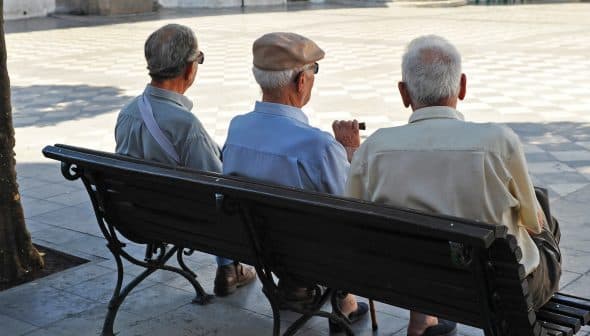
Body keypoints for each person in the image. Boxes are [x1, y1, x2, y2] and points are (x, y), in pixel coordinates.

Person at [346, 35, 561, 336]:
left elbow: (355, 218)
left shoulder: (374, 148)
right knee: (542, 211)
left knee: (420, 224)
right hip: (500, 290)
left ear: (403, 93)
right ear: (461, 86)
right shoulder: (499, 141)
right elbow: (532, 222)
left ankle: (422, 318)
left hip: (413, 284)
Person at [222, 32, 368, 329]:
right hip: (308, 257)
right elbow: (351, 209)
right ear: (301, 82)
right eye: (313, 72)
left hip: (256, 247)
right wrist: (350, 151)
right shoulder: (319, 146)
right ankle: (344, 302)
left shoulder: (236, 130)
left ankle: (318, 294)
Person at [114, 23, 256, 297]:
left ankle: (228, 267)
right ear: (190, 68)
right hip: (182, 222)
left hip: (137, 216)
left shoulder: (128, 112)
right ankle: (229, 266)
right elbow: (220, 189)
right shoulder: (186, 126)